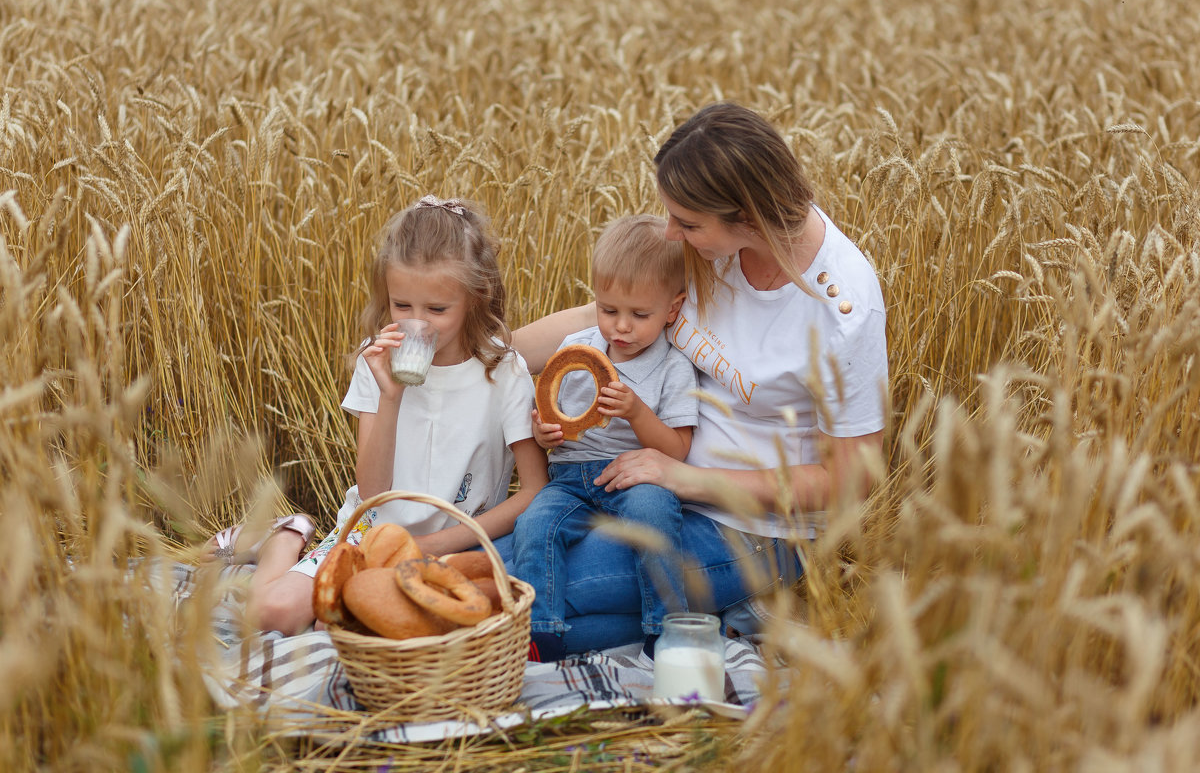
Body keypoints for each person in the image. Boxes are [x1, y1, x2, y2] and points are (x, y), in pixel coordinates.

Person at [512, 103, 888, 654]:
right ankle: (714, 618)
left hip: (753, 528)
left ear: (749, 217)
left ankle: (740, 604)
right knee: (511, 561)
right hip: (646, 487)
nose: (671, 234)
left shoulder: (842, 310)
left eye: (686, 223)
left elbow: (853, 478)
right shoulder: (711, 249)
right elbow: (603, 320)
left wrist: (688, 479)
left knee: (528, 593)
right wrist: (483, 354)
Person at [213, 194, 548, 636]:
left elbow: (533, 490)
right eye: (401, 305)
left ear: (476, 296)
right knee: (269, 614)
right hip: (370, 534)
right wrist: (390, 397)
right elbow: (373, 492)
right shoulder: (377, 363)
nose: (417, 324)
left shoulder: (502, 371)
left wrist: (431, 545)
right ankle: (287, 537)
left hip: (453, 546)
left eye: (437, 309)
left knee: (362, 627)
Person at [511, 215, 699, 662]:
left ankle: (667, 629)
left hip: (635, 476)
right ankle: (542, 634)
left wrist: (636, 412)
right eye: (609, 310)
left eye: (640, 315)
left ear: (673, 309)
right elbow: (547, 423)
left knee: (655, 517)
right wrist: (542, 432)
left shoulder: (673, 366)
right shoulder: (576, 348)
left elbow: (677, 449)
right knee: (533, 525)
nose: (621, 327)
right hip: (570, 476)